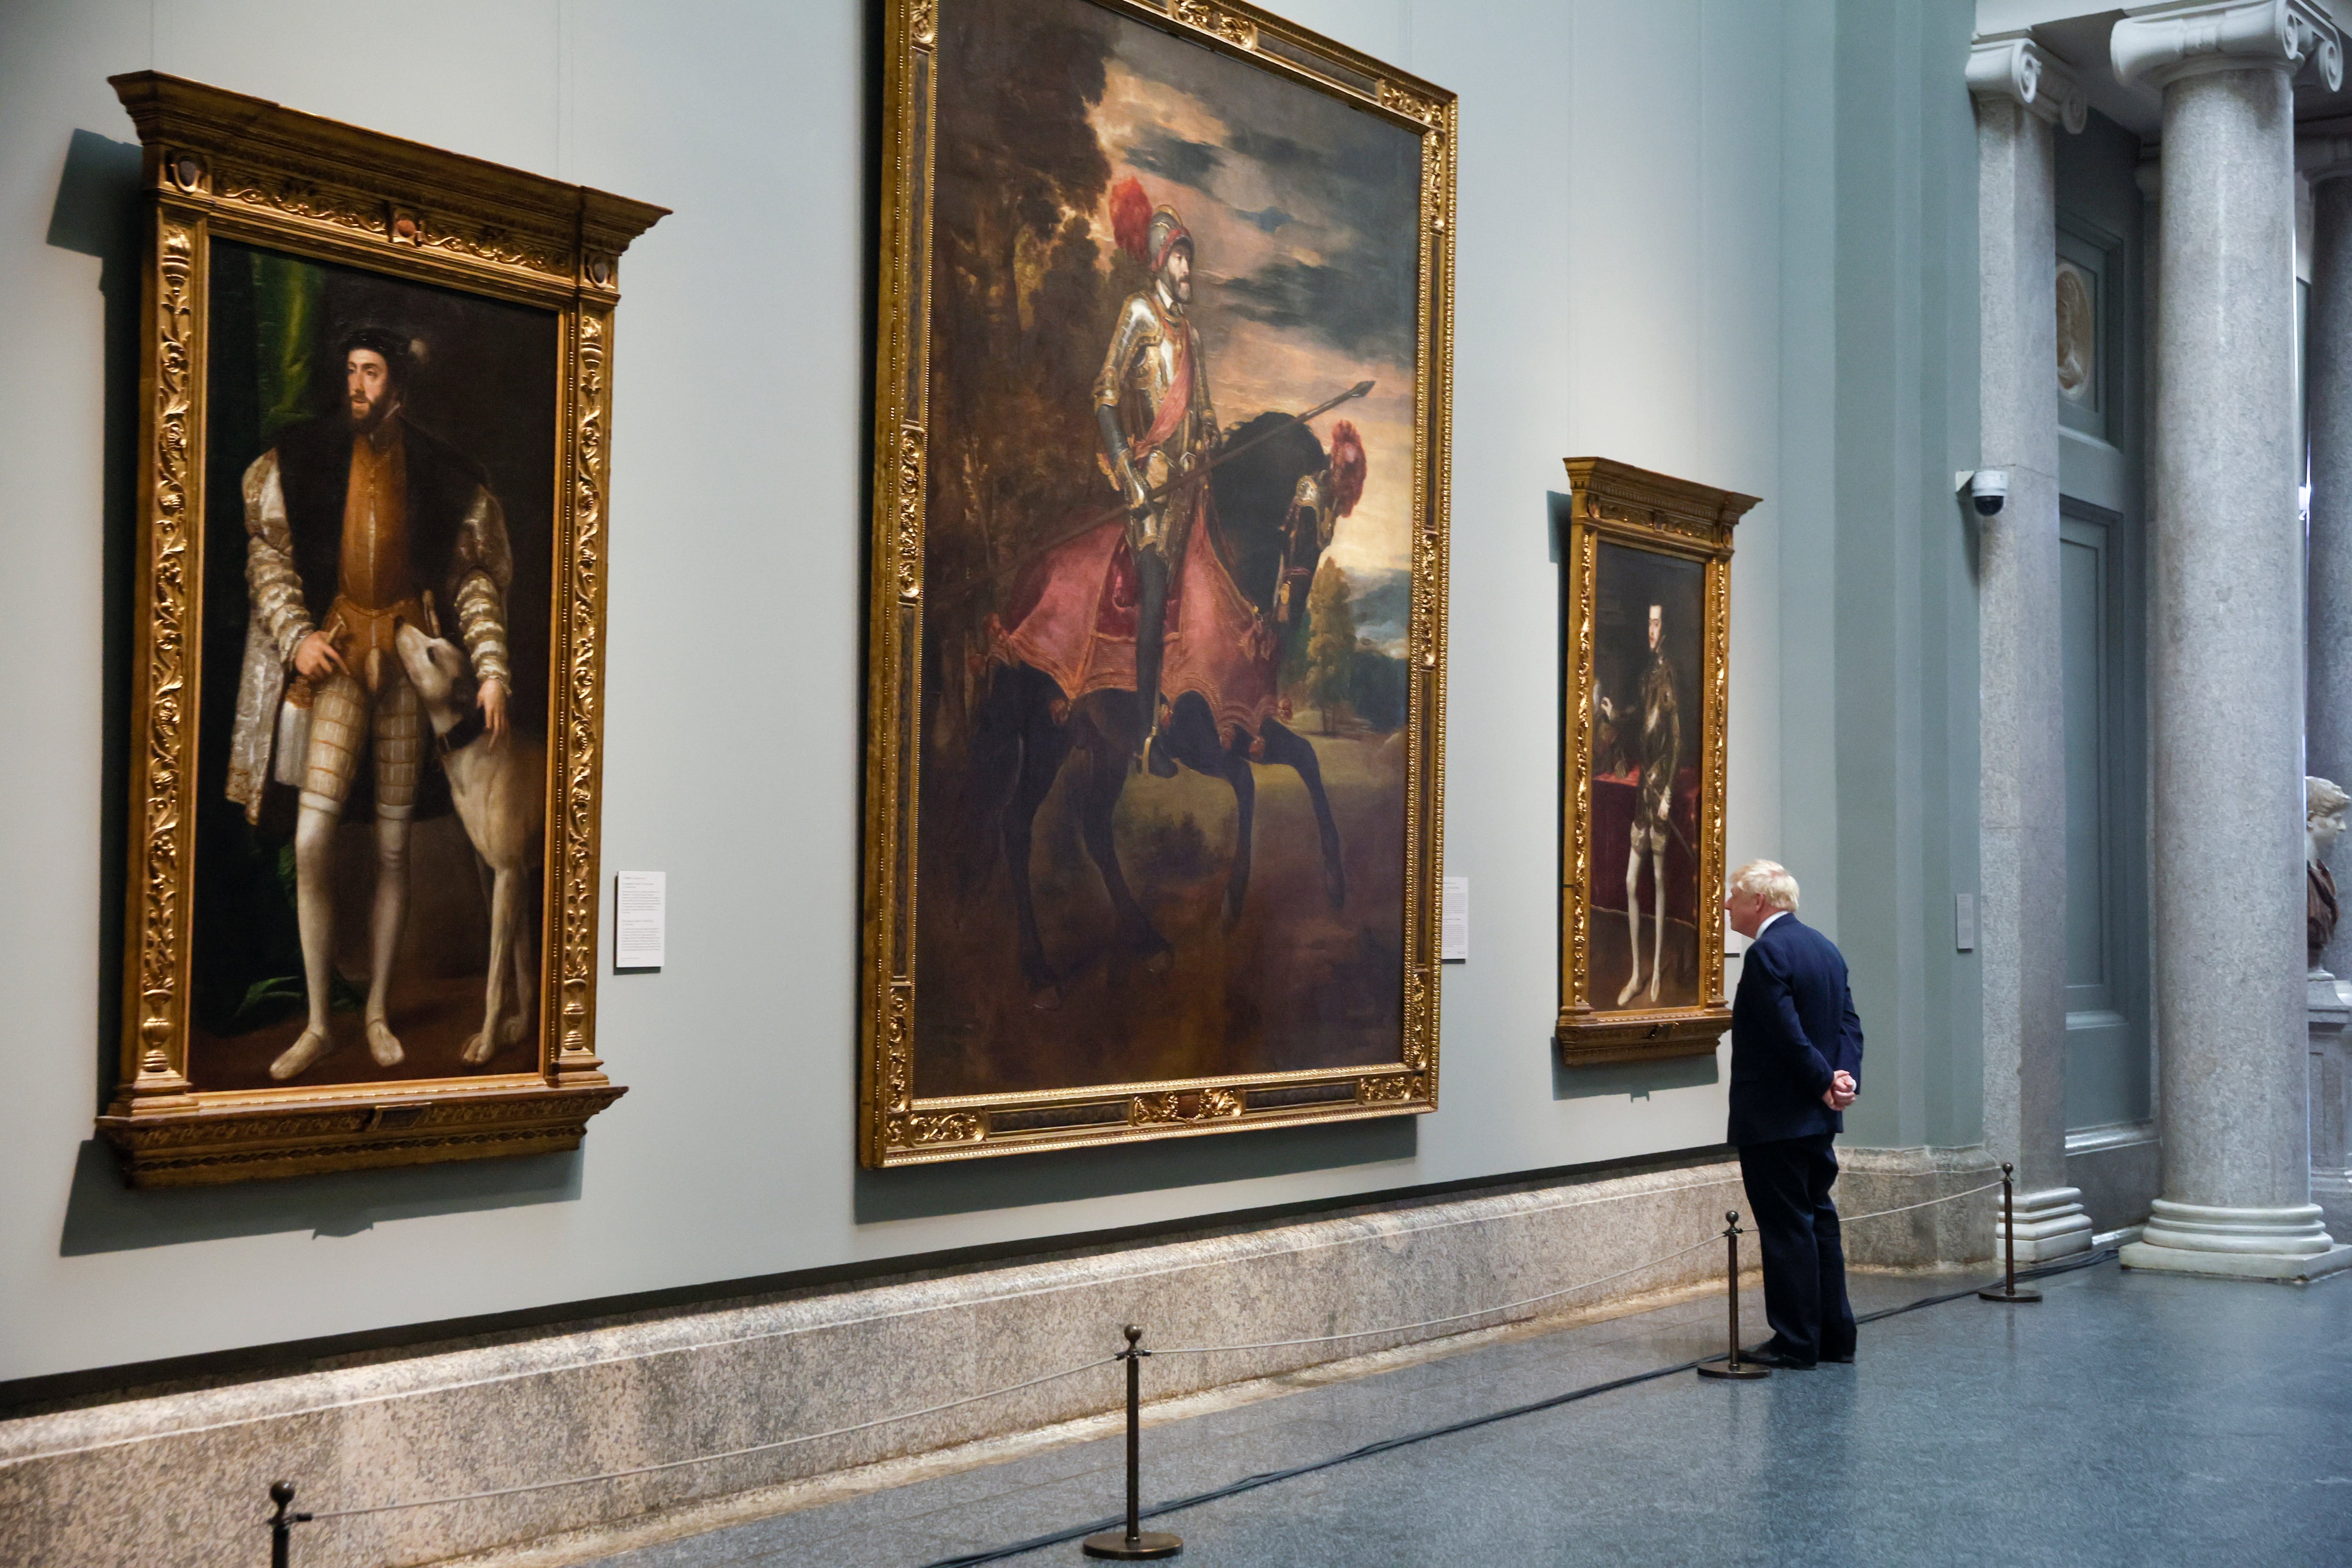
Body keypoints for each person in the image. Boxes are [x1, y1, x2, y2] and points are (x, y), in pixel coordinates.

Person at [226, 326, 515, 1080]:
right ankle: (323, 1020)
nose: (357, 385)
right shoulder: (302, 459)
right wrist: (295, 639)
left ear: (399, 389)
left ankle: (379, 1010)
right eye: (350, 370)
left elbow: (475, 584)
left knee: (394, 848)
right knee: (315, 839)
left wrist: (489, 669)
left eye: (372, 373)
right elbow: (271, 560)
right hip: (341, 654)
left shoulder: (447, 476)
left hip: (409, 665)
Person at [1096, 183, 1220, 777]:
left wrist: (1213, 443)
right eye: (1179, 256)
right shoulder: (1138, 314)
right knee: (1151, 599)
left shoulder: (1192, 337)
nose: (1187, 267)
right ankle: (1147, 735)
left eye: (1189, 257)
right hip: (1148, 486)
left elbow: (1209, 419)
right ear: (1160, 261)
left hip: (1190, 489)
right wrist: (1126, 470)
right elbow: (1104, 394)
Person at [1724, 858, 1862, 1368]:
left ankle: (1795, 1341)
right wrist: (1843, 1078)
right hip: (1815, 1117)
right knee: (1818, 1223)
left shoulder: (1766, 954)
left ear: (1757, 901)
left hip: (1775, 1119)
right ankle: (1834, 1337)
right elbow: (1848, 1024)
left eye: (1732, 896)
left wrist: (1823, 1079)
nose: (1724, 906)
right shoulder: (1823, 947)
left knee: (1786, 1230)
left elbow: (1785, 1035)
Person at [1599, 602, 1679, 1004]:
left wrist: (1667, 793)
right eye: (1648, 622)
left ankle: (1659, 967)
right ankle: (1636, 973)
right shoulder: (1649, 672)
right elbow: (1640, 717)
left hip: (1658, 786)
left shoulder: (1667, 675)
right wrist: (1617, 714)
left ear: (1666, 628)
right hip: (1643, 790)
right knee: (1632, 881)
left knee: (1660, 879)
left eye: (1657, 623)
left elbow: (1677, 739)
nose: (1651, 630)